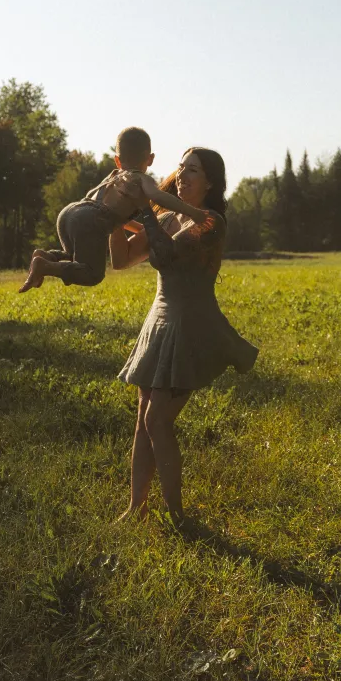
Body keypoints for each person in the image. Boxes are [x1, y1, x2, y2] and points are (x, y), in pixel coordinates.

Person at [109, 147, 258, 527]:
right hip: (159, 321)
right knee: (144, 419)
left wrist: (143, 209)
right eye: (180, 167)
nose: (182, 174)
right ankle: (135, 509)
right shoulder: (168, 215)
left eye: (192, 169)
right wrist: (110, 218)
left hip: (191, 325)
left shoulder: (210, 222)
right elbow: (122, 259)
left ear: (210, 182)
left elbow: (164, 255)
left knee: (158, 420)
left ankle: (177, 516)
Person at [18, 127, 211, 292]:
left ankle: (47, 256)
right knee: (92, 274)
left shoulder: (114, 176)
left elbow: (125, 221)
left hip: (71, 211)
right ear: (150, 159)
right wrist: (193, 212)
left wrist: (136, 226)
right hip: (91, 219)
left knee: (75, 259)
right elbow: (160, 196)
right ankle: (45, 266)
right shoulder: (140, 178)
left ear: (117, 160)